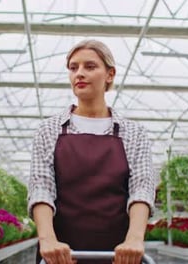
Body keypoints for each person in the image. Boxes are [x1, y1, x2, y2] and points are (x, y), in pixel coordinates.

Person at [27, 39, 156, 264]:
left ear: (110, 74)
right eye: (73, 67)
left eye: (90, 66)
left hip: (120, 256)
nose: (79, 73)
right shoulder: (49, 130)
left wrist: (135, 240)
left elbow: (141, 188)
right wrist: (48, 240)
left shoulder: (133, 132)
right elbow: (41, 187)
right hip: (61, 256)